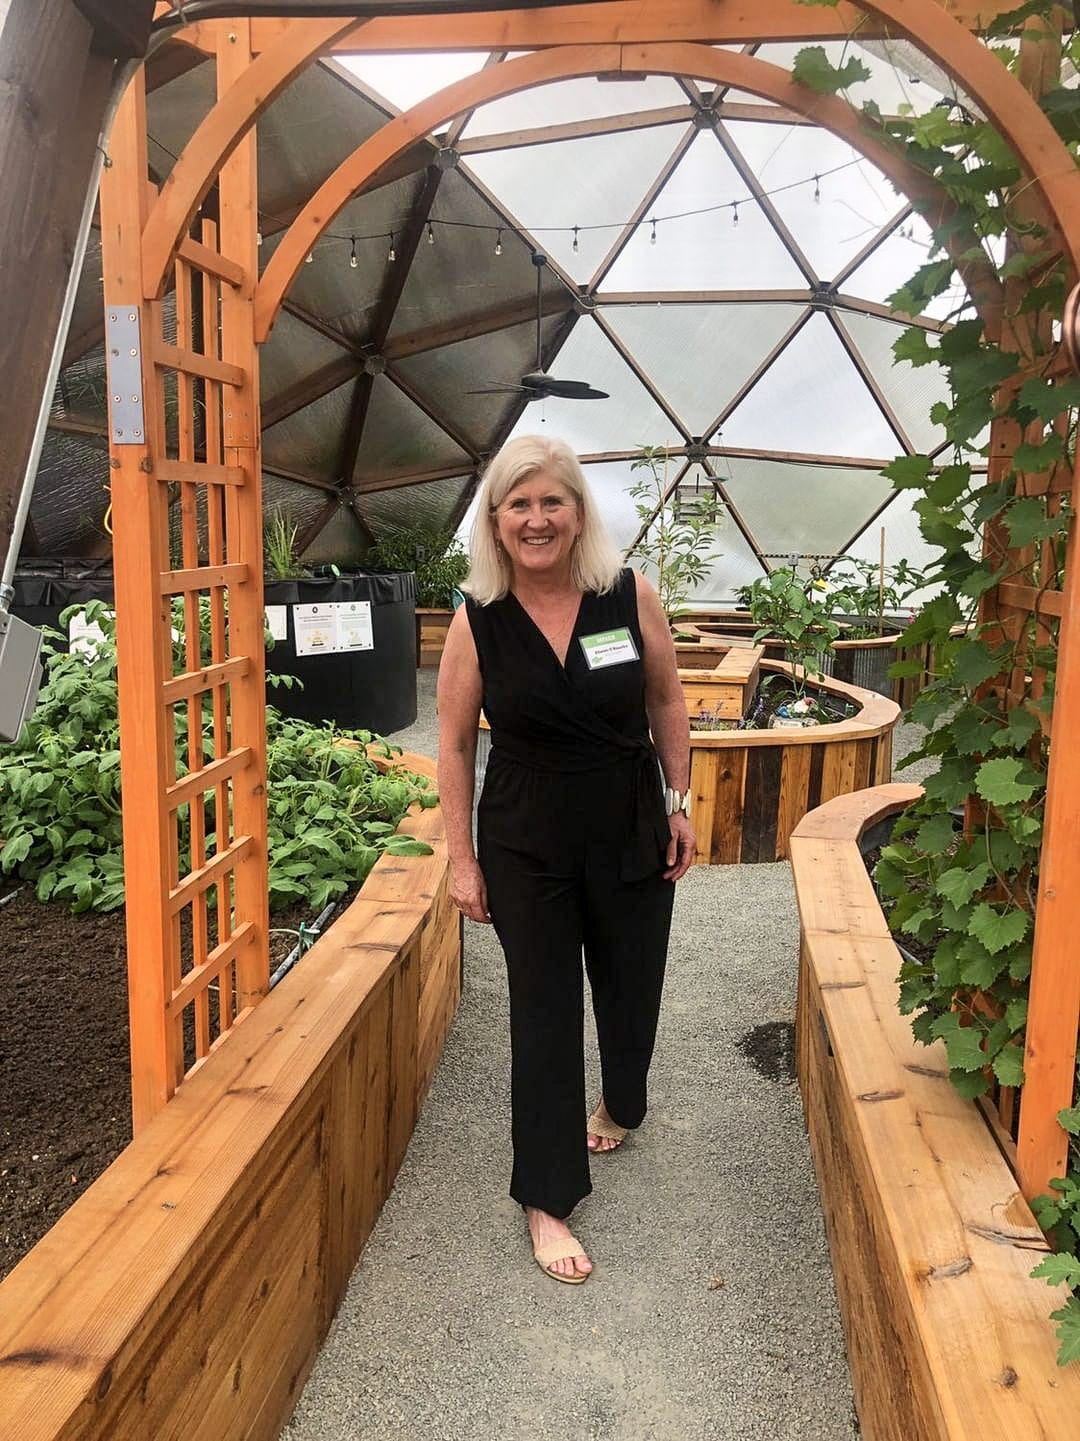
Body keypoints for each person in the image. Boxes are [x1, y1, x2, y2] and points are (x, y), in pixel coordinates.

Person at [436, 434, 694, 1285]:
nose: (537, 519)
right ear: (497, 520)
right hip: (525, 838)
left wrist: (679, 801)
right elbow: (451, 746)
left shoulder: (626, 594)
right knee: (541, 1013)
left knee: (632, 987)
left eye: (553, 501)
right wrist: (463, 860)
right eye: (520, 504)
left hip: (627, 822)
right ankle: (546, 1195)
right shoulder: (477, 619)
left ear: (578, 513)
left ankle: (621, 1100)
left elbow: (665, 695)